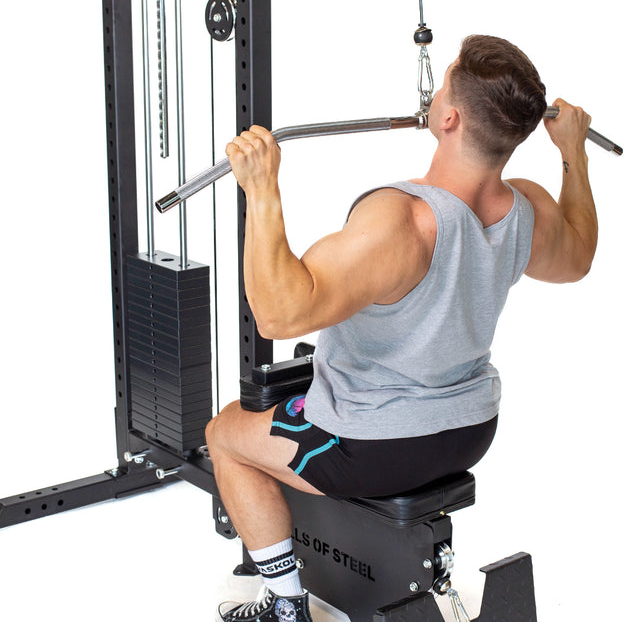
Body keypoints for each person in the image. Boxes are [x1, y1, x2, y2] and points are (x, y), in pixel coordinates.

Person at [205, 34, 597, 622]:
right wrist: (574, 152)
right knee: (310, 374)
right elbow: (579, 257)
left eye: (440, 85)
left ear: (448, 117)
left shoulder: (404, 222)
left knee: (226, 434)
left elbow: (279, 313)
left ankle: (284, 607)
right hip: (470, 430)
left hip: (376, 444)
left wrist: (262, 190)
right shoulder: (529, 210)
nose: (433, 96)